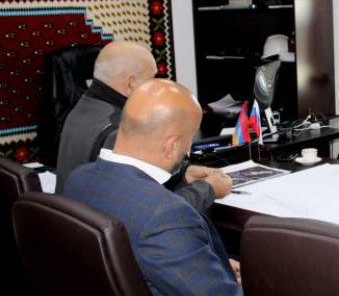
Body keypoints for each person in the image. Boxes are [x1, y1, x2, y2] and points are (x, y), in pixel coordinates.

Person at [64, 80, 265, 296]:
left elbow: (142, 259)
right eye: (188, 141)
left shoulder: (78, 180)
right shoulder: (165, 217)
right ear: (171, 145)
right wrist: (271, 287)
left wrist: (213, 267)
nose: (187, 149)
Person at [55, 41, 230, 211]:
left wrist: (183, 174)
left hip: (77, 221)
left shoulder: (83, 106)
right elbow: (151, 209)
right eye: (151, 78)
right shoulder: (119, 129)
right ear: (130, 84)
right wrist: (208, 189)